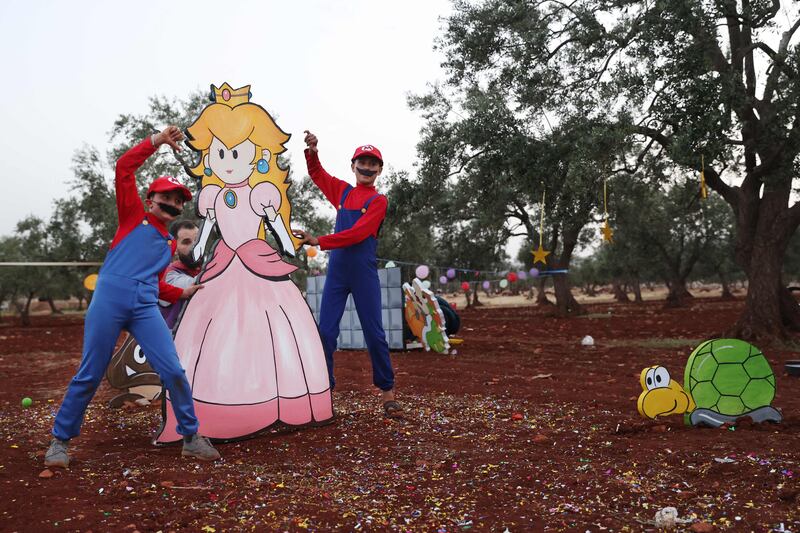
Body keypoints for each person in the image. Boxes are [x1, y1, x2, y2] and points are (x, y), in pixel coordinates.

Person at [154, 85, 332, 443]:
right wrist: (190, 253)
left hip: (259, 266)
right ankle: (215, 407)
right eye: (220, 152)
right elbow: (202, 245)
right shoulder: (213, 196)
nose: (228, 160)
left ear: (257, 156)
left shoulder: (262, 194)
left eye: (238, 152)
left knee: (270, 334)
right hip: (221, 270)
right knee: (216, 337)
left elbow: (283, 243)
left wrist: (279, 224)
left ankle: (271, 401)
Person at [45, 126, 220, 467]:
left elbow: (155, 284)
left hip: (144, 306)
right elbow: (124, 167)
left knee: (172, 369)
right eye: (165, 197)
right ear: (150, 199)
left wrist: (182, 291)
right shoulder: (132, 218)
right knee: (90, 372)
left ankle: (190, 437)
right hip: (109, 299)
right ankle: (59, 441)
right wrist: (155, 142)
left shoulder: (168, 244)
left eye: (177, 200)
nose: (171, 203)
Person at [294, 130, 402, 417]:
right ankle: (324, 390)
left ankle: (388, 393)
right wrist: (313, 150)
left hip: (363, 273)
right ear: (352, 165)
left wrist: (321, 241)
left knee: (374, 334)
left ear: (379, 169)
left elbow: (359, 233)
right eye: (361, 162)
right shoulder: (342, 192)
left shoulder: (379, 201)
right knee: (326, 333)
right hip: (338, 272)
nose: (366, 167)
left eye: (372, 163)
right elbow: (318, 175)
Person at [158, 220, 202, 330]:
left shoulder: (203, 268)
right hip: (174, 344)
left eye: (198, 240)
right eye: (186, 242)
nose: (194, 245)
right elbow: (199, 283)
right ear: (175, 249)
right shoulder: (168, 275)